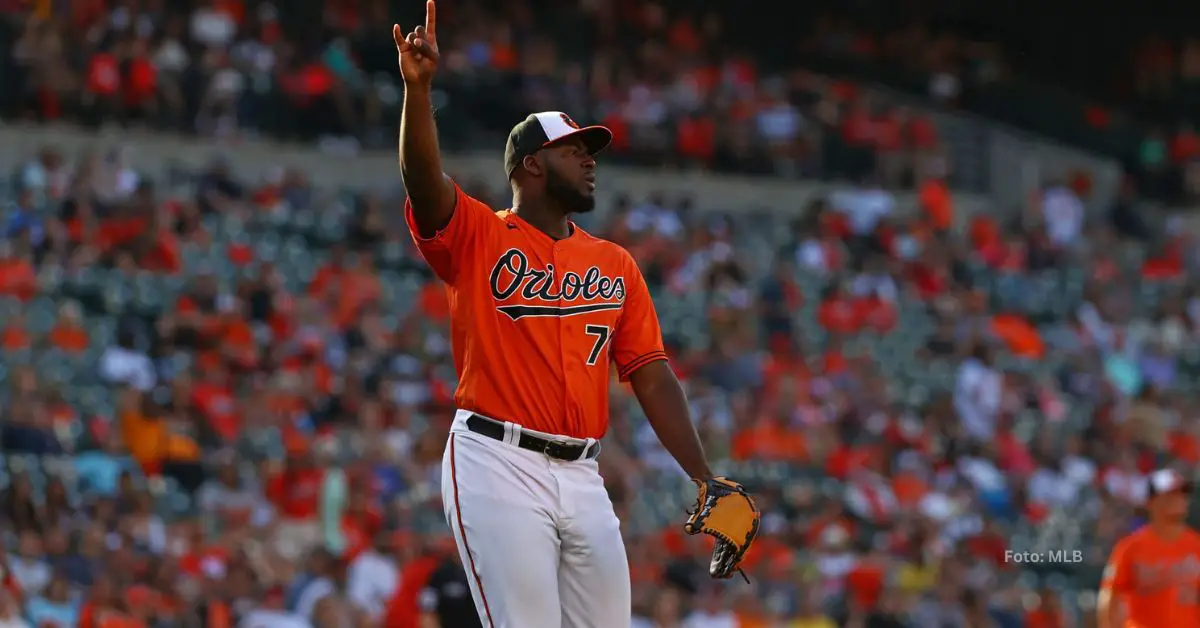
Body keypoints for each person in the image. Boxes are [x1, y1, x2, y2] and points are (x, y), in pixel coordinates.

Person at [393, 2, 734, 625]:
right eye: (573, 149)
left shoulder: (615, 262)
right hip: (496, 461)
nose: (589, 157)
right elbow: (422, 179)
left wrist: (704, 476)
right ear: (532, 164)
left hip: (583, 475)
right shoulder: (478, 234)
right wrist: (418, 92)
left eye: (588, 148)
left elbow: (652, 374)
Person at [1098, 468, 1200, 628]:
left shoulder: (1196, 545)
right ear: (1150, 501)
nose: (1179, 499)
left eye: (1182, 494)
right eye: (1170, 494)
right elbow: (1110, 598)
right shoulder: (1130, 548)